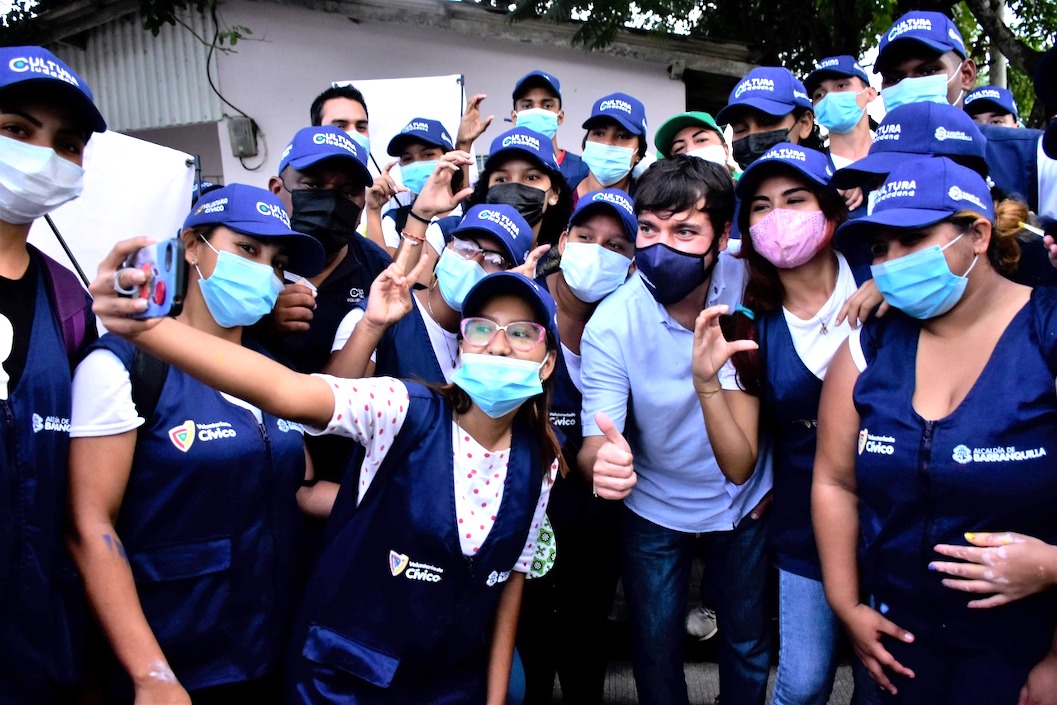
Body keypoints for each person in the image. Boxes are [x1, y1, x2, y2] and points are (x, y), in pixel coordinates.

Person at [91, 242, 564, 703]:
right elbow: (287, 391)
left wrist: (496, 695)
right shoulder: (401, 409)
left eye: (522, 333)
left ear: (546, 366)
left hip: (448, 684)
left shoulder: (538, 464)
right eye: (482, 328)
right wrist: (147, 330)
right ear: (461, 347)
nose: (499, 346)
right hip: (343, 682)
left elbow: (510, 583)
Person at [813, 156, 1057, 704]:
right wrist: (847, 605)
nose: (892, 262)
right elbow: (834, 480)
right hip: (902, 645)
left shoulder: (1046, 331)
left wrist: (1050, 569)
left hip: (1022, 652)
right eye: (880, 248)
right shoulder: (871, 342)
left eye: (913, 239)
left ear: (977, 234)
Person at [67, 184, 323, 703]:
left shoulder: (277, 378)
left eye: (276, 262)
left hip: (273, 658)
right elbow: (89, 526)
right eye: (247, 249)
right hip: (177, 670)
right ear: (191, 245)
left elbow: (302, 488)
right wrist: (150, 674)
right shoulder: (122, 366)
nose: (262, 272)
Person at [690, 143, 881, 705]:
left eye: (796, 200)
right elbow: (739, 462)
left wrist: (890, 286)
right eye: (762, 207)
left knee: (883, 684)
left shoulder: (887, 281)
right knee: (801, 684)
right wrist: (707, 385)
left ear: (831, 209)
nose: (780, 218)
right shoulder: (749, 327)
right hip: (806, 531)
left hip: (896, 522)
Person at [580, 155, 772, 705]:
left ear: (724, 235)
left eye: (685, 230)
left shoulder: (751, 281)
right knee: (655, 647)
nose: (661, 248)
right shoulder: (612, 324)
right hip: (656, 504)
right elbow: (599, 438)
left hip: (745, 502)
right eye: (648, 229)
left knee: (747, 644)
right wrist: (605, 464)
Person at [0, 44, 105, 704]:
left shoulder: (69, 299)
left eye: (65, 143)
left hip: (34, 632)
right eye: (16, 131)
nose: (43, 156)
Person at [517, 189, 636, 704]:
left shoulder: (631, 320)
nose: (596, 252)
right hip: (528, 521)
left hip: (601, 519)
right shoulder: (524, 310)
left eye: (615, 246)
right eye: (586, 238)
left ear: (633, 262)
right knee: (533, 641)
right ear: (562, 241)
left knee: (588, 639)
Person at [873, 10, 1050, 218]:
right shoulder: (869, 171)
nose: (909, 85)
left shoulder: (1032, 155)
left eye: (928, 71)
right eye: (894, 78)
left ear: (966, 75)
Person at [372, 117, 458, 255]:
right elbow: (383, 271)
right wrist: (373, 210)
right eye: (407, 159)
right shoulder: (394, 220)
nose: (417, 164)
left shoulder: (471, 212)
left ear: (451, 158)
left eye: (428, 154)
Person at [804, 55, 878, 214]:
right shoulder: (810, 173)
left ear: (870, 94)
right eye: (819, 94)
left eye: (841, 85)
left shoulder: (897, 159)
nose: (829, 97)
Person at [715, 66, 821, 171]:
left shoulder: (833, 185)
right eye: (740, 129)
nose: (753, 139)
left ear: (804, 123)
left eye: (768, 123)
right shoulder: (727, 188)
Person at [511, 70, 590, 191]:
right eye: (527, 106)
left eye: (547, 105)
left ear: (560, 117)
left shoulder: (582, 169)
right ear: (514, 117)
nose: (537, 111)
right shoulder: (503, 171)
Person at [575, 92, 648, 198]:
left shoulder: (647, 204)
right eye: (599, 133)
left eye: (622, 136)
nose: (607, 143)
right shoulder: (561, 195)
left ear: (639, 152)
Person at [653, 110, 738, 178]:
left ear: (725, 150)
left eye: (701, 140)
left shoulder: (748, 187)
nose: (690, 149)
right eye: (679, 148)